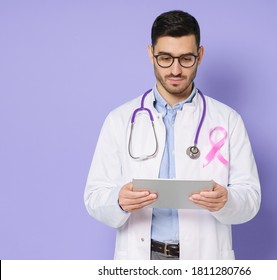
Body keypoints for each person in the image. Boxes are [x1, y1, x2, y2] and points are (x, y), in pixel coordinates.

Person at [84, 10, 261, 260]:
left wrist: (227, 200)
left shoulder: (227, 119)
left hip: (204, 257)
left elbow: (251, 199)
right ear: (150, 54)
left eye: (186, 58)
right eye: (165, 58)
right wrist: (119, 201)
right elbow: (94, 197)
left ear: (199, 56)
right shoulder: (120, 119)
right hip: (142, 256)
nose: (175, 70)